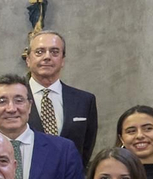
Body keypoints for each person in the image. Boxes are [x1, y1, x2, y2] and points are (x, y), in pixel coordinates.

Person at [24, 30, 99, 162]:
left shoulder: (84, 101)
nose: (47, 57)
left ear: (63, 60)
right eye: (39, 52)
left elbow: (86, 149)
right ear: (28, 60)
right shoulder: (13, 100)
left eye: (54, 52)